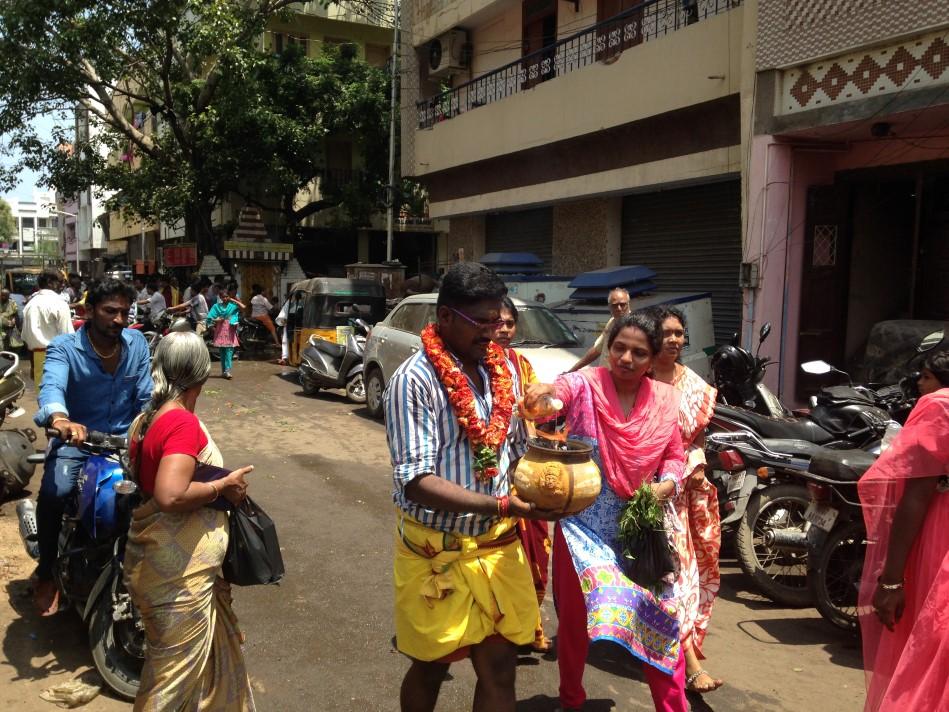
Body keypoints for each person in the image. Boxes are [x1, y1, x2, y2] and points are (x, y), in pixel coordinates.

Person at [385, 262, 553, 712]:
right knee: (432, 665)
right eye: (480, 322)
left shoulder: (506, 370)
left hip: (499, 550)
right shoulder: (413, 381)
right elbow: (416, 481)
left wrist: (550, 483)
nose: (492, 332)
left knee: (500, 669)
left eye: (497, 321)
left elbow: (516, 450)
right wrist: (503, 506)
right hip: (436, 553)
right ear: (444, 318)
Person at [523, 310, 688, 712]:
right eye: (618, 348)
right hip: (583, 525)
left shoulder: (666, 401)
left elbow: (675, 456)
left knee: (658, 618)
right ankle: (571, 699)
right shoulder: (586, 385)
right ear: (608, 348)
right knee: (577, 622)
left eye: (638, 352)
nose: (626, 359)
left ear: (652, 360)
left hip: (639, 527)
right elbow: (558, 392)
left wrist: (665, 485)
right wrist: (545, 392)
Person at [124, 331, 255, 711]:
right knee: (170, 682)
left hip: (163, 569)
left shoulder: (146, 419)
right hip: (178, 577)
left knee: (185, 675)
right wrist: (223, 488)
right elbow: (170, 494)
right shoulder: (181, 423)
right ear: (202, 372)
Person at [32, 279, 152, 615]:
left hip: (125, 442)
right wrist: (60, 419)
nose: (118, 319)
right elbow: (52, 386)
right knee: (55, 492)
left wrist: (157, 422)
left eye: (124, 313)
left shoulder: (137, 343)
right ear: (87, 312)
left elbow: (145, 396)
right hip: (78, 442)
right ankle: (46, 572)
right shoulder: (64, 347)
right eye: (110, 311)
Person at [858, 381, 948, 711]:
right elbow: (917, 493)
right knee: (931, 652)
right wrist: (892, 580)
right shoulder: (941, 407)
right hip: (940, 547)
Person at [648, 306, 723, 693]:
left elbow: (698, 440)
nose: (675, 339)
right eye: (667, 333)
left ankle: (685, 652)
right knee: (665, 574)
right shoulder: (636, 378)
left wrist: (695, 463)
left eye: (680, 332)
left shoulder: (693, 383)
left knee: (685, 573)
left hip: (681, 494)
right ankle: (688, 664)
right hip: (641, 492)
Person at [493, 296, 552, 653]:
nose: (503, 329)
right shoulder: (475, 365)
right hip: (489, 469)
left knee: (536, 546)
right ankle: (504, 630)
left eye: (509, 324)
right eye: (497, 322)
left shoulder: (521, 363)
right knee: (503, 551)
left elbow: (538, 409)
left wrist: (545, 403)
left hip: (522, 465)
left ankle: (532, 626)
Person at [22, 272, 74, 385]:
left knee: (44, 399)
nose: (63, 285)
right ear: (50, 283)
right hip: (58, 358)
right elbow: (68, 337)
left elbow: (26, 339)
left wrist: (33, 366)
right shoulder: (60, 303)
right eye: (61, 282)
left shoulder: (30, 305)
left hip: (37, 359)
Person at [568, 287, 631, 372]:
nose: (619, 308)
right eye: (615, 305)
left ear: (628, 304)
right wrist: (572, 370)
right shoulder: (611, 322)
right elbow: (597, 349)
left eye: (622, 304)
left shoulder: (634, 327)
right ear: (609, 307)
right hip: (604, 379)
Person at [206, 287, 244, 380]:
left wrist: (233, 299)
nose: (225, 298)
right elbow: (209, 318)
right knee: (222, 351)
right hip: (220, 330)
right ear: (220, 297)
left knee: (229, 350)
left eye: (227, 297)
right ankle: (224, 371)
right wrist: (217, 320)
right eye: (223, 297)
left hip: (230, 329)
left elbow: (243, 307)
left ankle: (227, 370)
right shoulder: (216, 307)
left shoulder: (232, 306)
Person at [249, 284, 280, 348]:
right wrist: (276, 310)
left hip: (254, 316)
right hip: (263, 317)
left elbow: (252, 304)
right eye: (265, 291)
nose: (265, 292)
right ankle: (277, 343)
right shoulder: (263, 299)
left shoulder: (254, 298)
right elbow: (271, 308)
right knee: (273, 328)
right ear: (262, 292)